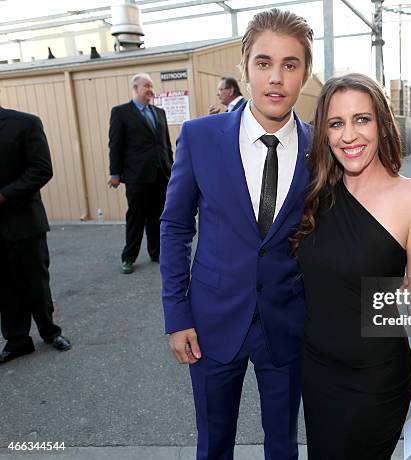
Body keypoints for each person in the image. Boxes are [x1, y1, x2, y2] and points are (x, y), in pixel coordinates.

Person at [160, 9, 313, 459]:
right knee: (213, 445)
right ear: (245, 68)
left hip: (286, 324)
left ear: (304, 73)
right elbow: (174, 226)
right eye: (264, 63)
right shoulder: (199, 137)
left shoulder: (320, 149)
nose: (276, 78)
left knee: (283, 447)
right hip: (210, 322)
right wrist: (177, 315)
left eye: (290, 64)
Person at [292, 73, 411, 459]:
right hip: (318, 371)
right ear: (324, 133)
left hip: (375, 379)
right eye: (336, 123)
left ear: (382, 124)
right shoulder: (315, 193)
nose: (349, 135)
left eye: (362, 119)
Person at [0, 105, 71, 364]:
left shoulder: (25, 123)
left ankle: (50, 332)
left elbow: (42, 169)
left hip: (24, 220)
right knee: (4, 286)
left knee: (36, 282)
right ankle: (17, 340)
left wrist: (4, 195)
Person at [108, 73, 174, 274]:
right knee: (136, 217)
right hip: (137, 175)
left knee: (157, 217)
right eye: (147, 86)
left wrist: (172, 170)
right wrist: (115, 173)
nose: (151, 89)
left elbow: (166, 145)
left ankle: (156, 253)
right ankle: (129, 257)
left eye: (152, 86)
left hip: (160, 174)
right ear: (135, 88)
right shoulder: (121, 112)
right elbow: (115, 144)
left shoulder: (159, 112)